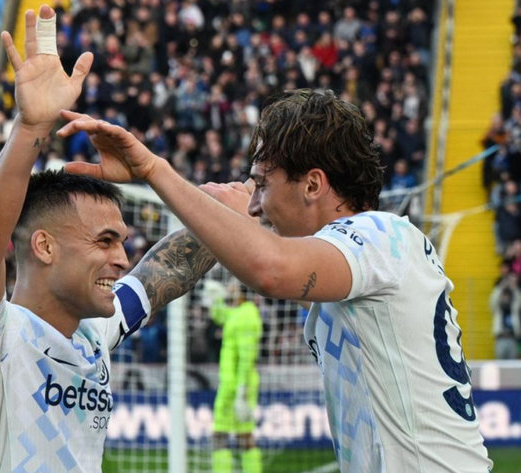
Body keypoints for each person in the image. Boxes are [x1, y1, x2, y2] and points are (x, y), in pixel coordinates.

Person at [59, 89, 494, 472]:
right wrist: (109, 318)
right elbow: (202, 257)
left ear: (312, 185)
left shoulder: (381, 234)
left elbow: (270, 269)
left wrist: (154, 169)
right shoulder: (356, 268)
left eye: (262, 185)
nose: (255, 205)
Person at [0, 6, 216, 473]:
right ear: (44, 246)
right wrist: (30, 129)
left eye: (121, 242)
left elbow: (168, 267)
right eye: (104, 241)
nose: (121, 259)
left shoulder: (92, 331)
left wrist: (234, 206)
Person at [204, 281, 263, 473]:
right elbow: (220, 316)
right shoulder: (239, 312)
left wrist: (241, 391)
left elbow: (247, 356)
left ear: (241, 291)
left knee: (224, 435)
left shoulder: (247, 315)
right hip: (232, 384)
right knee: (242, 435)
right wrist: (215, 301)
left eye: (233, 285)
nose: (229, 287)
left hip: (238, 386)